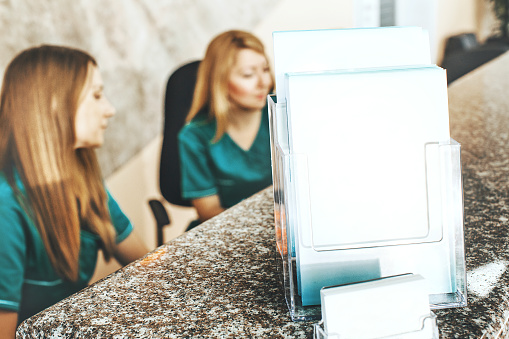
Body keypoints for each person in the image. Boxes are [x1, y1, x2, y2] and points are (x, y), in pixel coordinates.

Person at [0, 45, 148, 337]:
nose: (110, 109)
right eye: (96, 95)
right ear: (55, 103)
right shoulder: (6, 205)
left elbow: (143, 263)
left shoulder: (82, 178)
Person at [178, 30, 274, 229]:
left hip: (282, 228)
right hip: (227, 231)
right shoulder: (194, 136)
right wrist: (260, 227)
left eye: (265, 69)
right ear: (219, 82)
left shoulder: (285, 118)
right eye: (248, 74)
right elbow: (208, 212)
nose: (263, 82)